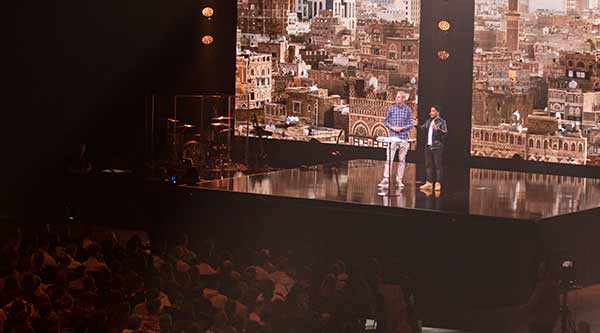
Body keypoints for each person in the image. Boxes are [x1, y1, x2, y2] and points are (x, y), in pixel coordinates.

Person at [379, 91, 414, 188]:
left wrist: (402, 128)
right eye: (397, 97)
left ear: (403, 99)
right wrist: (392, 127)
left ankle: (399, 180)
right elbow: (385, 121)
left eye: (399, 97)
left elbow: (411, 124)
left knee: (402, 159)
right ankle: (386, 179)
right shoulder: (392, 108)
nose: (397, 99)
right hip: (393, 137)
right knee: (389, 159)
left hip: (403, 138)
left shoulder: (408, 110)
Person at [417, 106, 447, 192]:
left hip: (437, 146)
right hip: (428, 146)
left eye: (433, 111)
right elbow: (422, 128)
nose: (431, 113)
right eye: (430, 111)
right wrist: (416, 125)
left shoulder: (441, 122)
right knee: (428, 165)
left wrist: (437, 129)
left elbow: (445, 133)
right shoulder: (428, 121)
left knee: (438, 166)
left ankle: (438, 183)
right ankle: (429, 183)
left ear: (437, 112)